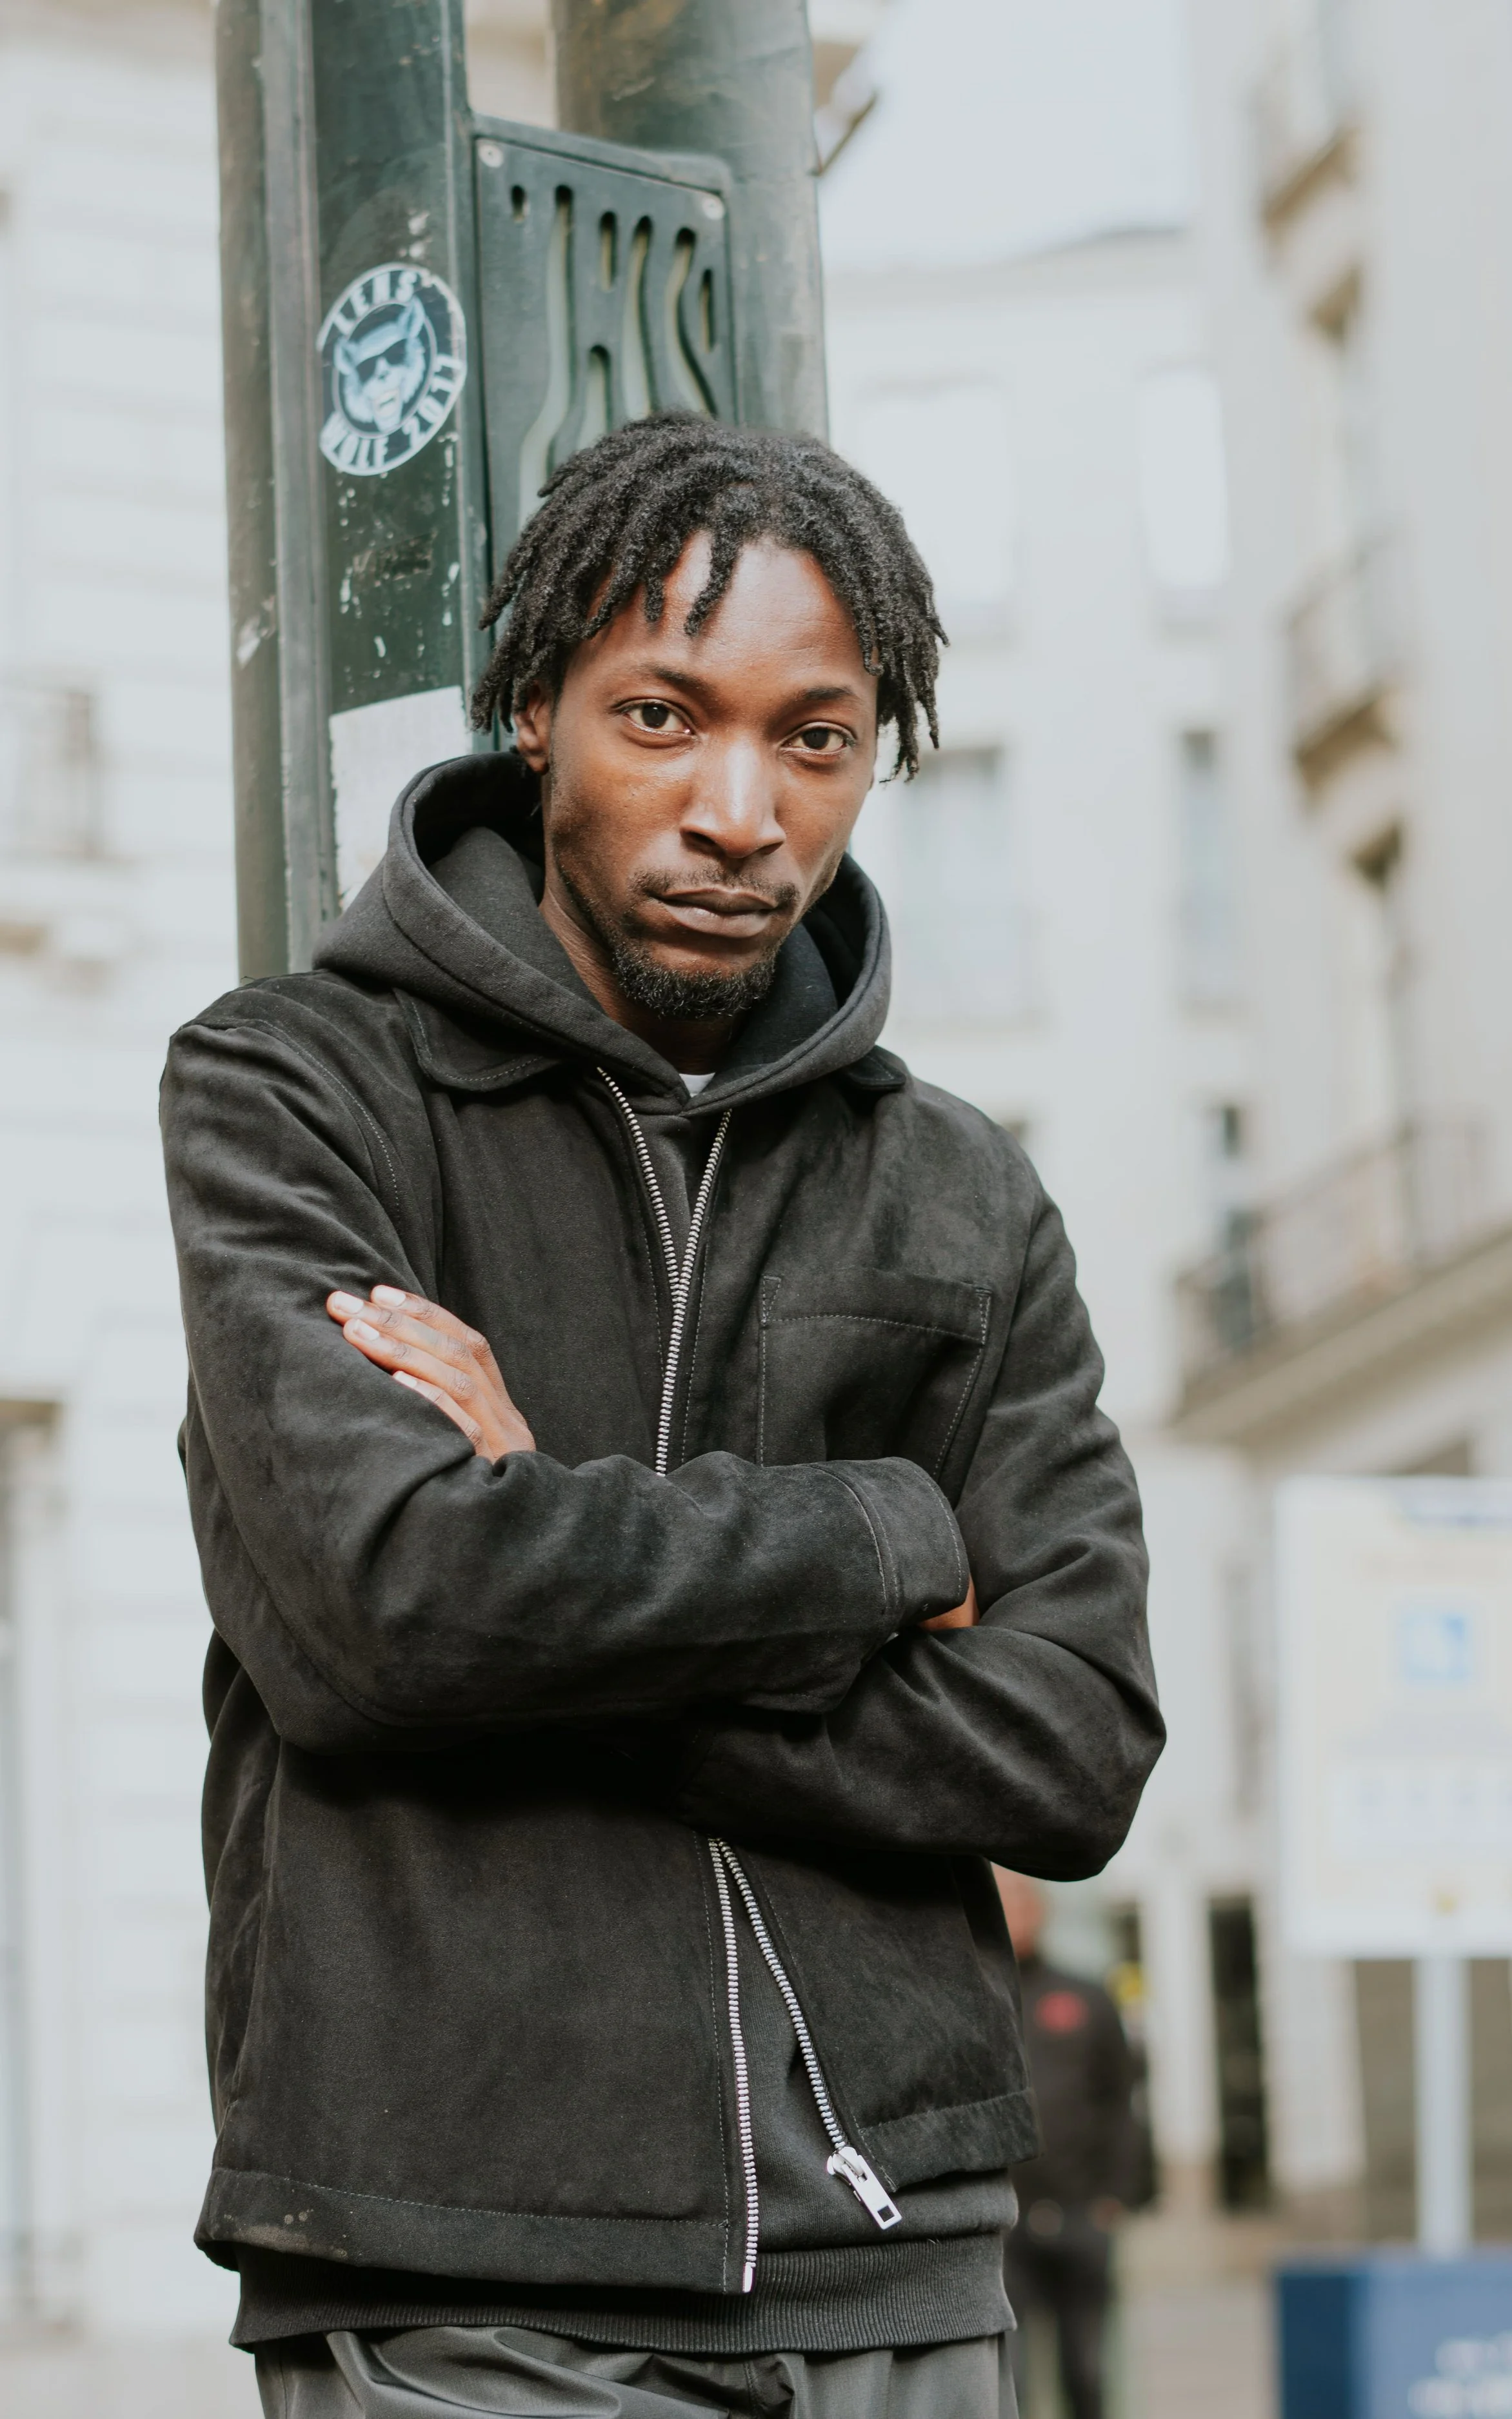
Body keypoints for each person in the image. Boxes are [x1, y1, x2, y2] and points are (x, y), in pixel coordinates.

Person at [161, 412, 1162, 2419]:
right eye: (660, 714)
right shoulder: (298, 1093)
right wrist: (884, 1536)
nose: (737, 807)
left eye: (813, 737)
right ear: (534, 708)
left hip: (902, 2265)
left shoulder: (958, 1192)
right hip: (463, 2262)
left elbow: (1065, 1744)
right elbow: (387, 1614)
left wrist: (547, 1529)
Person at [995, 1871, 1144, 2419]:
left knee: (1086, 2370)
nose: (1013, 1914)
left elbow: (1122, 2101)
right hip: (1004, 2223)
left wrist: (1114, 2196)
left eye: (1021, 1902)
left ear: (1042, 1910)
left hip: (1082, 2216)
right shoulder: (974, 2001)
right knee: (1009, 2378)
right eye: (1001, 1902)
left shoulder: (1085, 1997)